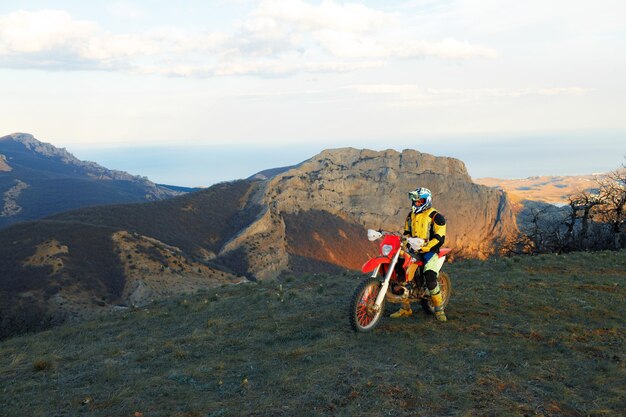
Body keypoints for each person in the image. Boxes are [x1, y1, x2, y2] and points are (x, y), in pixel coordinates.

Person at [390, 187, 448, 322]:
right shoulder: (410, 215)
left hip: (430, 252)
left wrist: (424, 246)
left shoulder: (437, 217)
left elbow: (440, 239)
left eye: (419, 200)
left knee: (430, 276)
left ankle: (439, 309)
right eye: (414, 200)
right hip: (413, 250)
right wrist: (406, 241)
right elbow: (406, 232)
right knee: (401, 274)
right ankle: (405, 308)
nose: (416, 203)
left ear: (427, 201)